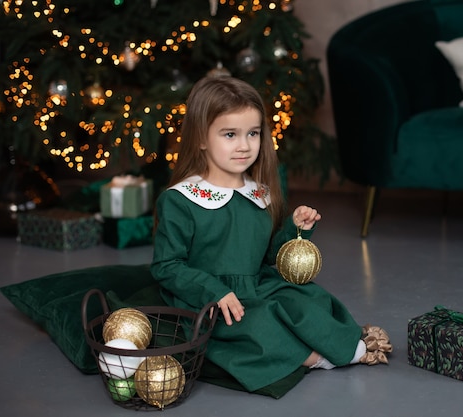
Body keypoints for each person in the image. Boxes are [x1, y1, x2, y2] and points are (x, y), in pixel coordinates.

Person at [150, 76, 392, 393]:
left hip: (255, 283)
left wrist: (294, 228)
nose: (244, 145)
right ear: (201, 138)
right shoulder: (181, 199)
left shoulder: (259, 193)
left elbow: (266, 256)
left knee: (309, 299)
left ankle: (334, 342)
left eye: (253, 134)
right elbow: (167, 266)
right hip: (212, 300)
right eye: (230, 134)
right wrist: (215, 291)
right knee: (257, 323)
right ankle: (315, 356)